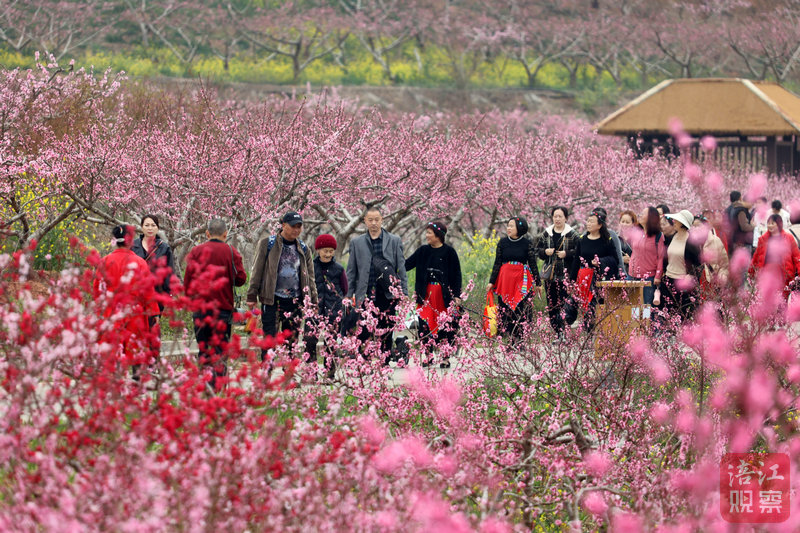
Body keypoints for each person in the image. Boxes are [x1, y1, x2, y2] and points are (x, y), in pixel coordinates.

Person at [183, 219, 247, 392]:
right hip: (223, 310)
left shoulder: (196, 251)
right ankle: (218, 390)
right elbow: (241, 279)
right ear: (226, 234)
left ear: (207, 233)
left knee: (204, 350)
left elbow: (187, 282)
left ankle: (206, 386)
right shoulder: (231, 251)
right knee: (220, 351)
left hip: (200, 310)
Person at [246, 211, 317, 363]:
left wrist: (313, 300)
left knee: (291, 339)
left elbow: (310, 277)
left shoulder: (304, 249)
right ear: (283, 225)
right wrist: (251, 295)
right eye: (293, 226)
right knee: (269, 338)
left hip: (295, 300)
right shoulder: (268, 244)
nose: (296, 230)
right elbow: (257, 270)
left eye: (299, 226)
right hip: (271, 299)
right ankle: (267, 369)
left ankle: (289, 371)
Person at [93, 225, 159, 380]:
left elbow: (98, 291)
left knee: (113, 350)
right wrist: (154, 312)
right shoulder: (140, 263)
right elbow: (148, 291)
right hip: (134, 314)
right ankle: (137, 382)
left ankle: (114, 383)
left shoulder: (105, 261)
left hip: (111, 313)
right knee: (135, 350)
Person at [346, 206, 408, 359]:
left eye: (376, 220)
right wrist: (348, 294)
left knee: (386, 328)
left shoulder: (394, 240)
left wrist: (404, 292)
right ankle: (364, 360)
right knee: (364, 328)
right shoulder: (356, 243)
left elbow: (401, 268)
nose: (373, 223)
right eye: (370, 220)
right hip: (365, 291)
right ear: (365, 221)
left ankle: (384, 360)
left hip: (387, 292)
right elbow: (351, 271)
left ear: (382, 220)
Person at [405, 221, 462, 367]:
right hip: (425, 295)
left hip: (443, 296)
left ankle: (445, 357)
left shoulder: (449, 252)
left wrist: (457, 295)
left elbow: (456, 275)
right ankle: (428, 356)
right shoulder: (422, 251)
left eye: (429, 233)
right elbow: (406, 265)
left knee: (445, 325)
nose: (426, 235)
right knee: (424, 324)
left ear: (438, 235)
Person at [131, 214, 180, 357]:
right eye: (147, 225)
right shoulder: (133, 246)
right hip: (137, 295)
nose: (150, 228)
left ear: (158, 228)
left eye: (153, 225)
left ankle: (152, 362)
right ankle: (138, 362)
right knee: (137, 329)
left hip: (156, 295)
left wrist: (167, 296)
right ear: (141, 227)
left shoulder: (164, 248)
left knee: (153, 329)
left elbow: (169, 273)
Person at [487, 216, 541, 340]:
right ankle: (508, 337)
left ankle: (520, 338)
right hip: (505, 281)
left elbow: (533, 263)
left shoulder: (527, 243)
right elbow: (497, 263)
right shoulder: (502, 243)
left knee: (521, 307)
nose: (508, 228)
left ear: (519, 228)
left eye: (511, 226)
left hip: (521, 280)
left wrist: (538, 283)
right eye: (508, 225)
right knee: (505, 308)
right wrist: (491, 282)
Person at [305, 234, 348, 378]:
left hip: (333, 309)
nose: (328, 254)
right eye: (325, 251)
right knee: (310, 340)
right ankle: (312, 373)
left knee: (331, 343)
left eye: (331, 251)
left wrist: (338, 303)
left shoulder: (339, 269)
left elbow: (345, 288)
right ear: (318, 250)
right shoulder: (310, 267)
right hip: (314, 309)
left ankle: (330, 374)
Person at [569, 210, 618, 331]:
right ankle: (588, 333)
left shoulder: (607, 240)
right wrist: (572, 280)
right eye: (588, 221)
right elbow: (576, 261)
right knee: (585, 308)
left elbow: (615, 259)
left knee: (595, 307)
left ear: (600, 225)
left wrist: (601, 261)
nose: (588, 223)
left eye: (592, 221)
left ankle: (597, 332)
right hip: (583, 278)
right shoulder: (582, 240)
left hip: (599, 279)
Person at [536, 206, 579, 336]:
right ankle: (558, 332)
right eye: (555, 216)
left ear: (566, 218)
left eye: (560, 216)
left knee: (566, 303)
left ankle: (564, 331)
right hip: (550, 276)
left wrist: (567, 253)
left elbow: (580, 252)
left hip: (566, 275)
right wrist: (545, 252)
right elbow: (537, 251)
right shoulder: (546, 233)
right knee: (552, 304)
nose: (557, 219)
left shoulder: (572, 234)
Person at [661, 210, 702, 321]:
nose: (674, 222)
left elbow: (698, 263)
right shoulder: (672, 237)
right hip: (668, 281)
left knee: (683, 316)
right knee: (667, 315)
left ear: (683, 223)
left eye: (677, 220)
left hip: (682, 283)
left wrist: (691, 276)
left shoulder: (691, 242)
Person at [749, 214, 800, 300]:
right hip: (767, 274)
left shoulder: (788, 238)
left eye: (773, 223)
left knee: (782, 301)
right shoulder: (763, 239)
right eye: (768, 223)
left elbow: (797, 257)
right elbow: (756, 257)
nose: (770, 225)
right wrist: (751, 272)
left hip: (783, 275)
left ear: (779, 224)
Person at [628, 206, 665, 305]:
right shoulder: (636, 233)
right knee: (633, 306)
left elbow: (661, 257)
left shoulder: (658, 236)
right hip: (632, 275)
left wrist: (658, 276)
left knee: (646, 306)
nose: (640, 215)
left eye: (643, 214)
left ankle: (646, 316)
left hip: (649, 277)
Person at [692, 214, 729, 299]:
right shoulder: (690, 243)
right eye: (693, 226)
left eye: (698, 226)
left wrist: (722, 277)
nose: (696, 229)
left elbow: (724, 264)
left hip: (711, 279)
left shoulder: (715, 241)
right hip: (696, 280)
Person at [592, 206, 625, 278]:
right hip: (591, 273)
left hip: (609, 272)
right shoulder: (586, 235)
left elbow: (618, 255)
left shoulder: (611, 235)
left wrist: (621, 273)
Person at [726, 191, 754, 257]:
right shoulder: (741, 210)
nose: (752, 204)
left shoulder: (729, 209)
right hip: (742, 241)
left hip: (733, 240)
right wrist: (754, 226)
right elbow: (744, 226)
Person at [618, 210, 637, 277]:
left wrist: (630, 260)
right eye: (622, 221)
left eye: (627, 222)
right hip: (618, 274)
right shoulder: (616, 238)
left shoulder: (637, 239)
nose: (624, 224)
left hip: (634, 274)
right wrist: (622, 259)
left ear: (633, 224)